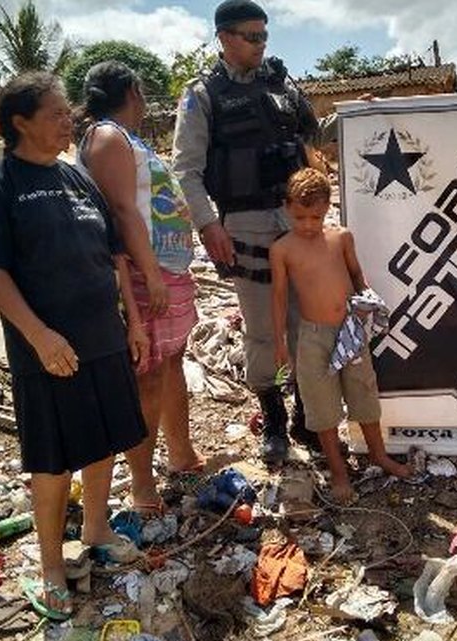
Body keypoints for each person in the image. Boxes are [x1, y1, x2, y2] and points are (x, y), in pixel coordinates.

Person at [0, 72, 144, 621]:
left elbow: (113, 256)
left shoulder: (76, 179)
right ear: (20, 123)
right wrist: (39, 336)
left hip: (104, 337)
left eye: (69, 112)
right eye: (58, 114)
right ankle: (49, 564)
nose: (70, 120)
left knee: (105, 440)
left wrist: (132, 321)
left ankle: (96, 527)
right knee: (52, 461)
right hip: (48, 350)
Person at [172, 0, 320, 463]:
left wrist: (366, 114)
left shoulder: (281, 83)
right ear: (225, 39)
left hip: (297, 218)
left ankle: (304, 414)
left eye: (264, 36)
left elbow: (315, 136)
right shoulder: (202, 95)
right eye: (251, 37)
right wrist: (209, 224)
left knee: (303, 323)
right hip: (246, 222)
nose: (261, 45)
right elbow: (186, 170)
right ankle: (273, 418)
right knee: (263, 330)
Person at [77, 61, 205, 513]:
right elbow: (123, 213)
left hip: (163, 269)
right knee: (148, 378)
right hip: (143, 273)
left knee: (171, 363)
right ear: (133, 91)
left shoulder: (123, 138)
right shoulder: (107, 137)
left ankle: (182, 454)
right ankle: (142, 483)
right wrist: (149, 274)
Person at [269, 169, 411, 503]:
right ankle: (338, 471)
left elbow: (357, 274)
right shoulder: (282, 249)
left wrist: (368, 302)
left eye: (315, 217)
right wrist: (279, 342)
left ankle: (378, 454)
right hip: (312, 337)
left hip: (350, 330)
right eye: (300, 216)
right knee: (322, 406)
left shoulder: (341, 237)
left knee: (363, 392)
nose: (307, 225)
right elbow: (278, 297)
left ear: (327, 208)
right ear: (287, 207)